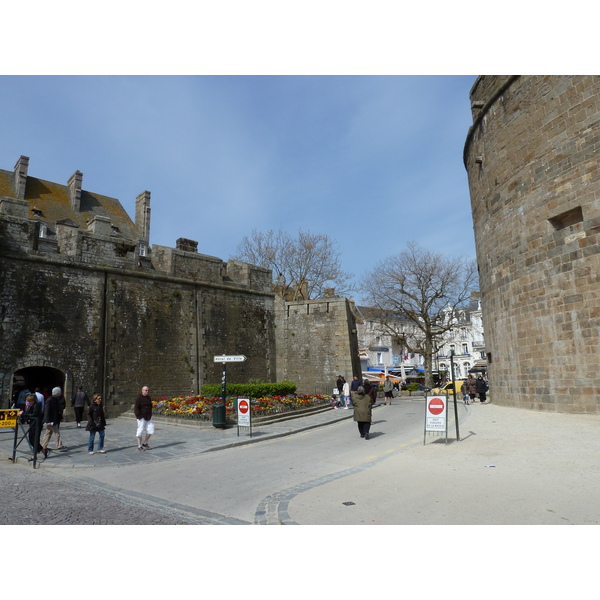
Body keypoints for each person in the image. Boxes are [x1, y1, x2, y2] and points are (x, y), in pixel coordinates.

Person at [41, 387, 67, 457]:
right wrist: (47, 421)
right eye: (60, 392)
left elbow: (58, 410)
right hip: (51, 420)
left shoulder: (55, 399)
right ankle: (59, 445)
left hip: (53, 419)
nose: (61, 393)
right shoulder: (50, 400)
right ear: (57, 393)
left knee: (48, 433)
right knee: (56, 432)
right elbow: (47, 411)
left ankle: (43, 446)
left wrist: (60, 417)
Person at [20, 393, 43, 461]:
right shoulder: (30, 405)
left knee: (35, 440)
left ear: (34, 400)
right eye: (28, 401)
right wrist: (23, 414)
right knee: (31, 439)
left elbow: (34, 414)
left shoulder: (37, 405)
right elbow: (27, 413)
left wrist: (24, 414)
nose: (28, 402)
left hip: (37, 424)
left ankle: (34, 455)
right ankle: (43, 450)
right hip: (32, 424)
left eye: (30, 401)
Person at [134, 385, 154, 450]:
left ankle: (145, 442)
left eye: (148, 390)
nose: (147, 391)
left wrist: (150, 414)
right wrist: (139, 416)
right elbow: (136, 408)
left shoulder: (148, 397)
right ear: (142, 391)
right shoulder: (139, 398)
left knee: (151, 430)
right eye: (146, 390)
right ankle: (139, 445)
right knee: (140, 430)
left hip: (148, 416)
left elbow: (150, 406)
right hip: (141, 417)